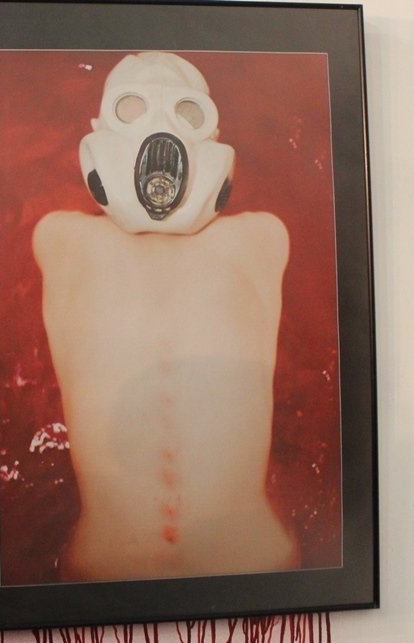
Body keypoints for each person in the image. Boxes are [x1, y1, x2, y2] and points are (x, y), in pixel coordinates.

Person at [33, 52, 298, 582]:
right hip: (125, 568)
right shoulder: (61, 240)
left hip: (241, 562)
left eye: (185, 112)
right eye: (133, 109)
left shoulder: (261, 240)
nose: (158, 130)